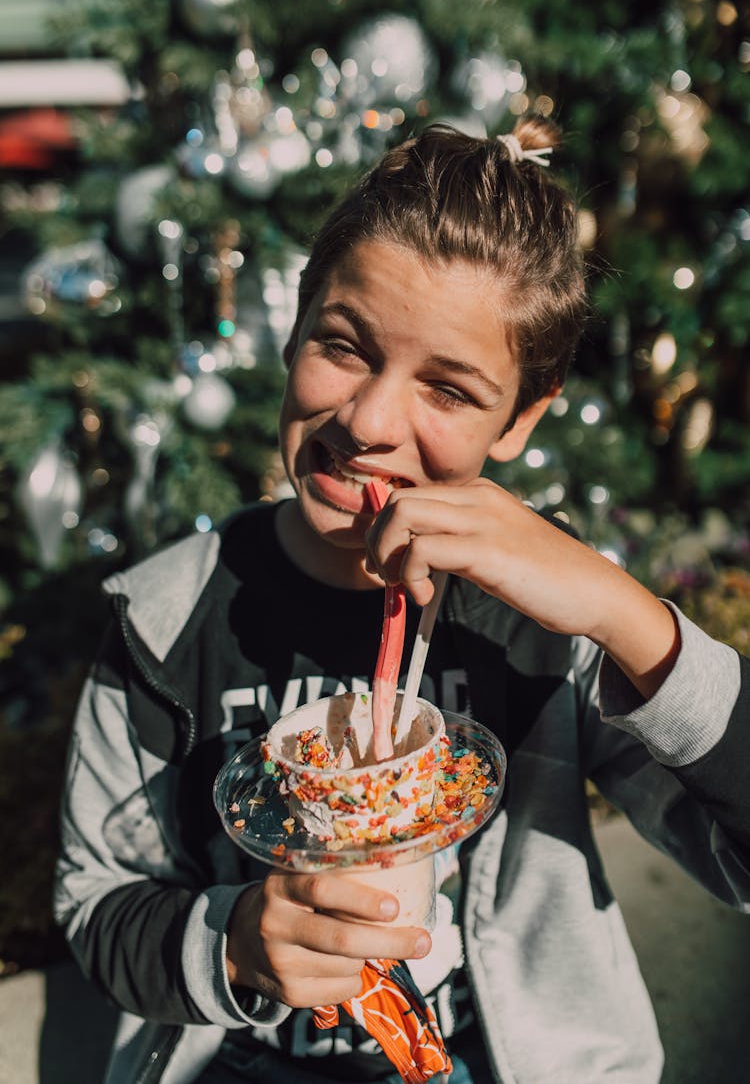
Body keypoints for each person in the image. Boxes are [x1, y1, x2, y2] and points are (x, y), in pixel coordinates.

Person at [54, 116, 750, 1084]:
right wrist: (236, 944)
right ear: (298, 316)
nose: (370, 422)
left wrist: (622, 611)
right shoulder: (168, 621)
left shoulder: (544, 634)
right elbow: (97, 900)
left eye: (451, 392)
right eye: (343, 346)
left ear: (524, 416)